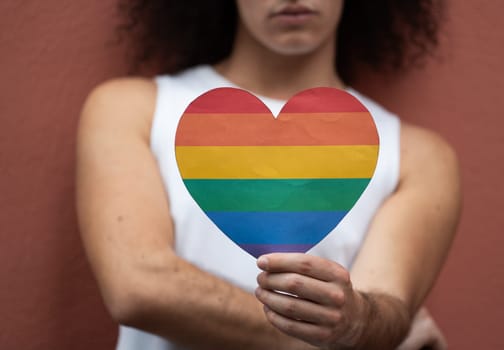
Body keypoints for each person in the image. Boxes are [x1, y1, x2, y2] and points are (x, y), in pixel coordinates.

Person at [76, 1, 460, 349]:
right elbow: (139, 289)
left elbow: (385, 310)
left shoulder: (415, 155)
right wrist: (324, 342)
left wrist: (362, 322)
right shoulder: (135, 109)